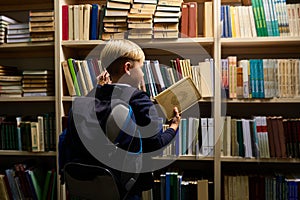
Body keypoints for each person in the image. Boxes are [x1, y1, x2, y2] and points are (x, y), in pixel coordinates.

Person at [65, 39, 181, 200]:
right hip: (124, 187)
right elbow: (154, 144)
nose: (142, 74)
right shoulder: (139, 99)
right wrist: (173, 127)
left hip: (87, 184)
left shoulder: (91, 97)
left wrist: (100, 88)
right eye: (141, 67)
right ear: (127, 67)